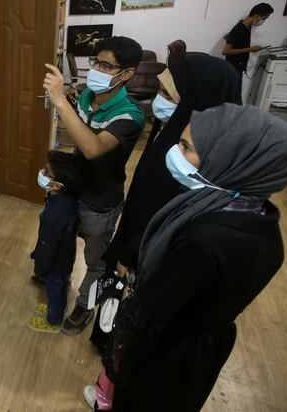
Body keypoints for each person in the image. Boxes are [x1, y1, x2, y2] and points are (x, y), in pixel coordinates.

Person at [85, 103, 287, 411]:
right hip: (202, 348)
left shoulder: (202, 241)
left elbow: (149, 315)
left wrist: (118, 361)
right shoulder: (264, 222)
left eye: (186, 147)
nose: (175, 152)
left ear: (232, 160)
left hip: (167, 353)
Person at [90, 53, 241, 354]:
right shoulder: (174, 132)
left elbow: (164, 214)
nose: (157, 100)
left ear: (198, 99)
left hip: (148, 260)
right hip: (136, 244)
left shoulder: (197, 159)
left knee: (132, 326)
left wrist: (129, 258)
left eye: (166, 94)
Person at [43, 36, 145, 336]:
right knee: (62, 244)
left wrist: (61, 100)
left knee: (98, 263)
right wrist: (56, 172)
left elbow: (92, 148)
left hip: (100, 203)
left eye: (107, 65)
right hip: (75, 190)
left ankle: (85, 306)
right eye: (96, 62)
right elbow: (77, 150)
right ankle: (57, 295)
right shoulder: (87, 96)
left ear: (126, 73)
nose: (97, 69)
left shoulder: (130, 115)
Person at [27, 151, 88, 333]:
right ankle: (57, 310)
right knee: (60, 286)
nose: (43, 173)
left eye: (47, 172)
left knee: (54, 289)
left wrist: (41, 267)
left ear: (59, 185)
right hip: (65, 257)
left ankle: (52, 321)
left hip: (55, 262)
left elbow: (48, 243)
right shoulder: (68, 200)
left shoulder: (55, 214)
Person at [222, 2, 273, 102]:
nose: (263, 21)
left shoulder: (246, 26)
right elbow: (226, 51)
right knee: (235, 99)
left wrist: (232, 38)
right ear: (256, 16)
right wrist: (250, 49)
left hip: (238, 67)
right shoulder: (240, 29)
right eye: (264, 18)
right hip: (234, 68)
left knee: (236, 98)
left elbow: (227, 37)